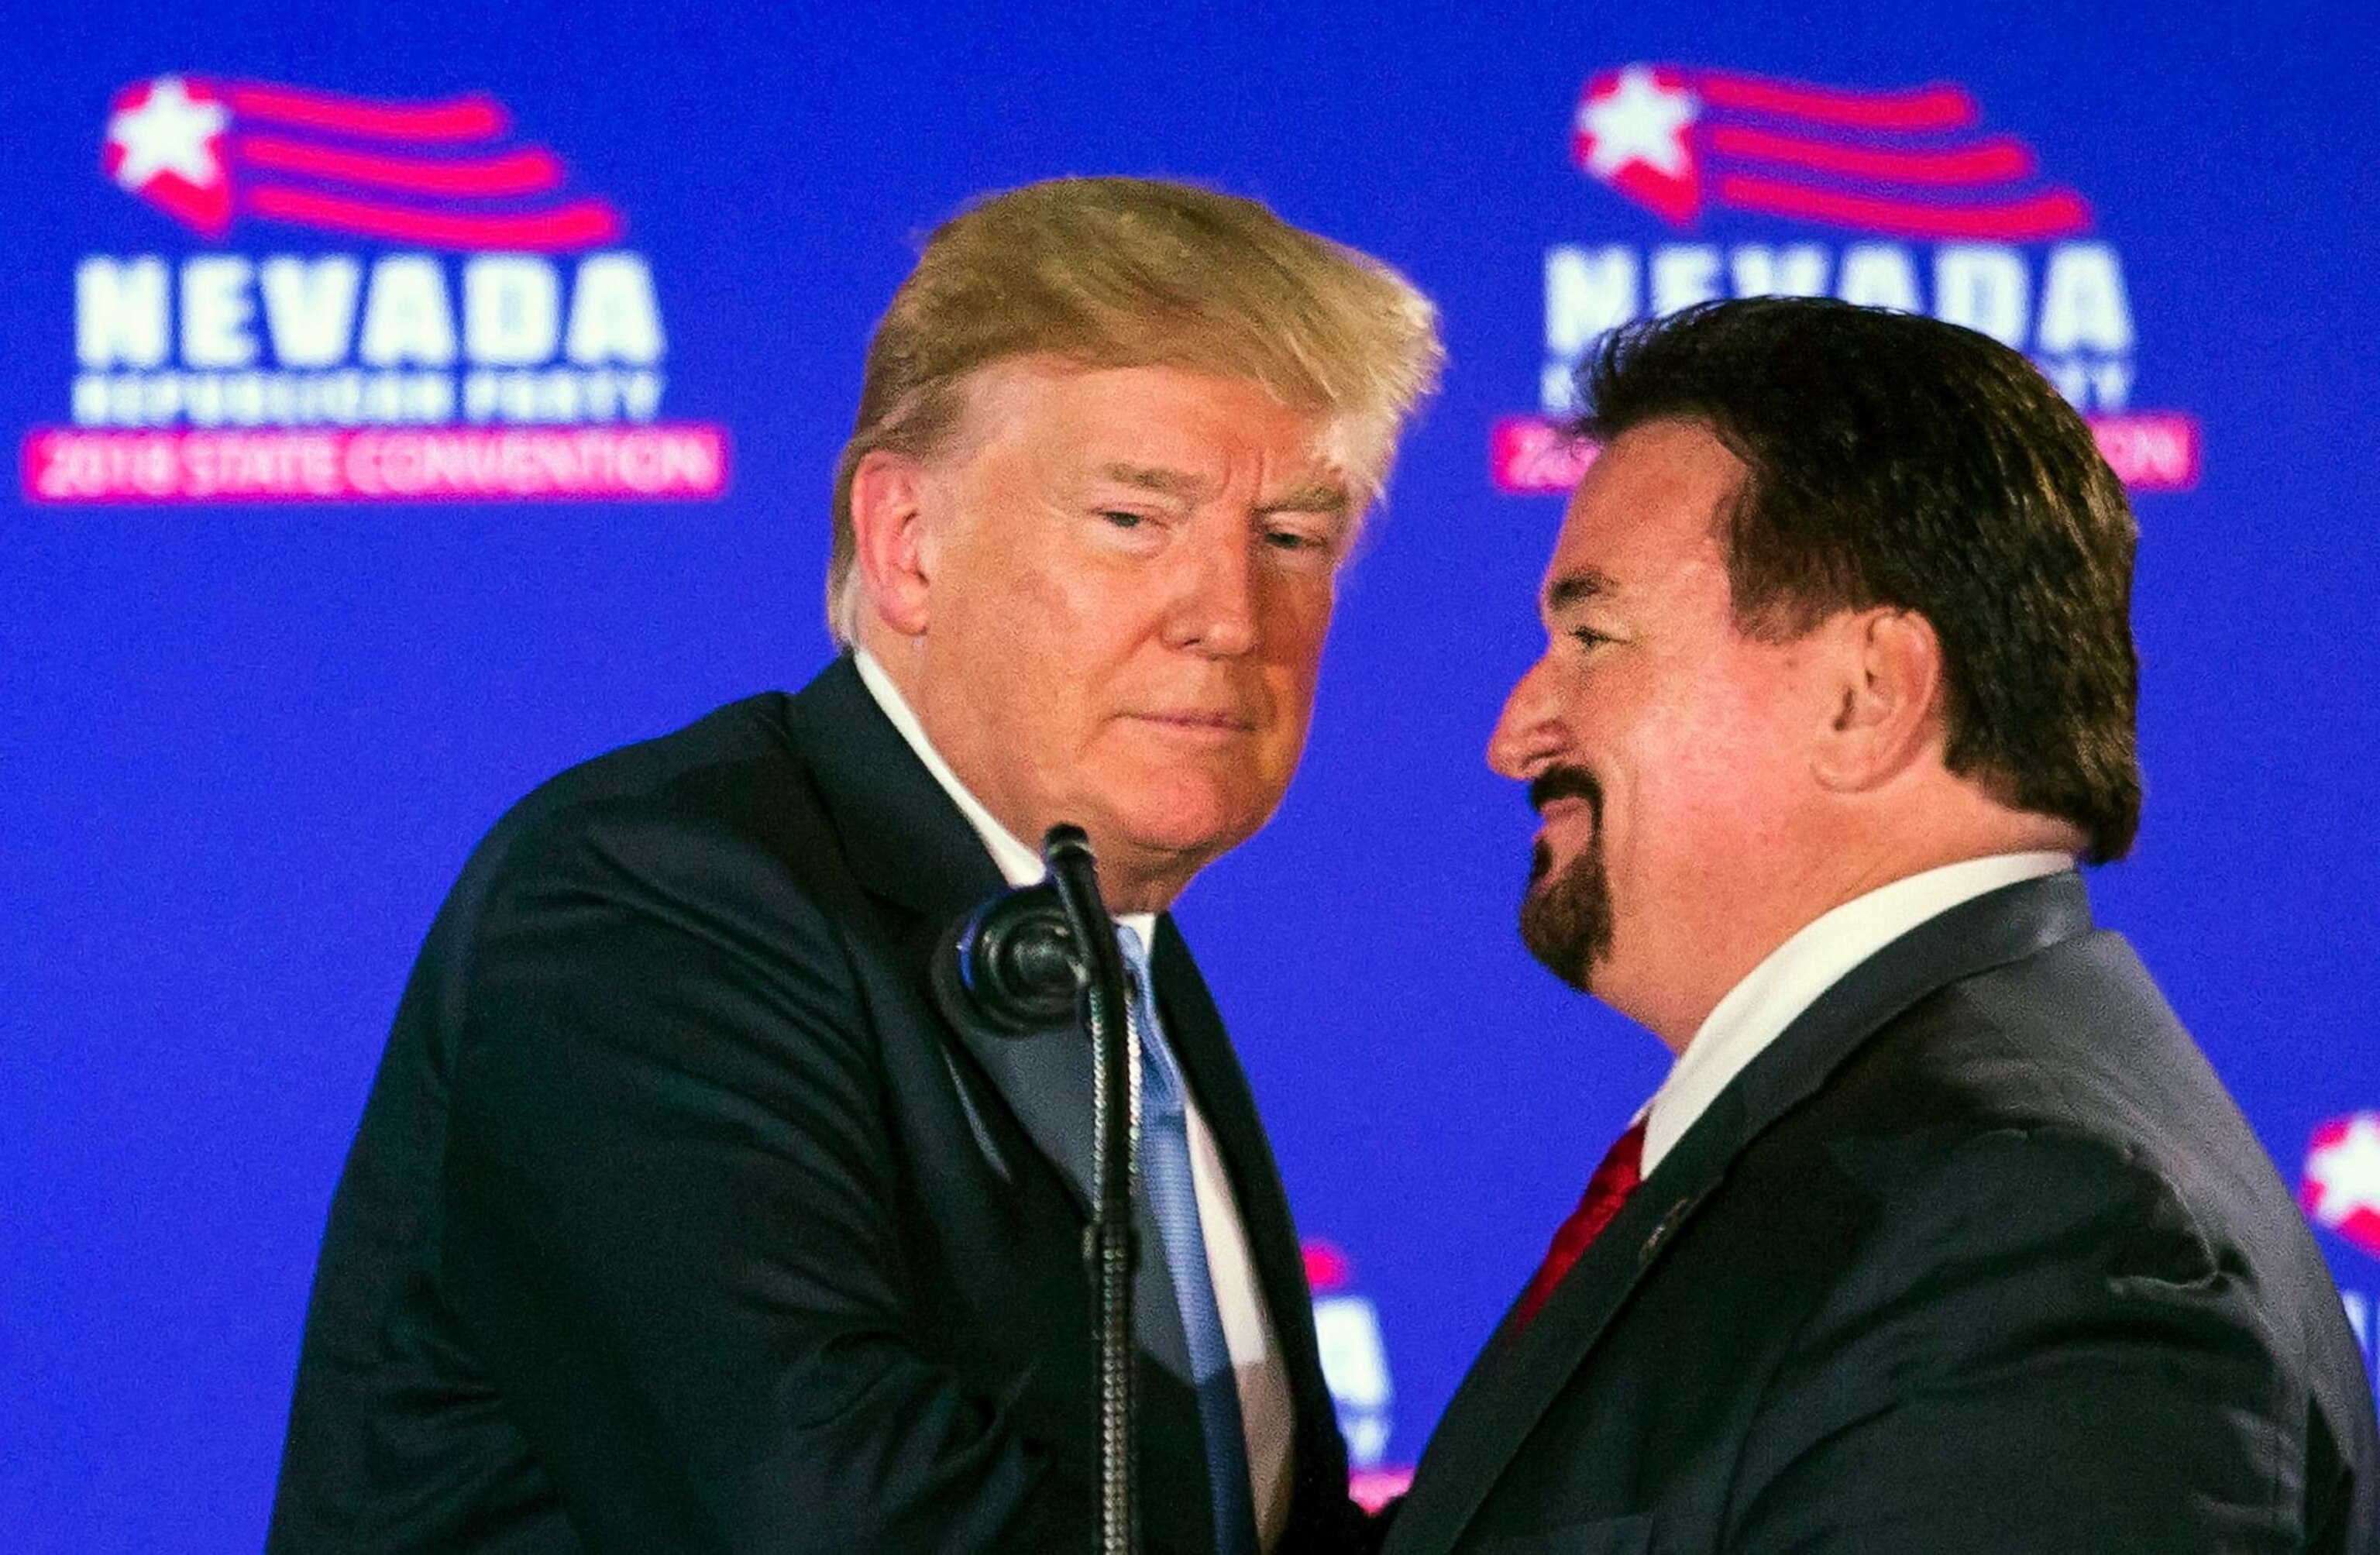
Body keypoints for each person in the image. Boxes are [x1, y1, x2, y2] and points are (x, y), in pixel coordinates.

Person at [268, 176, 1442, 1553]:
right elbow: (836, 1525)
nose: (1232, 618)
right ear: (908, 545)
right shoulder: (649, 902)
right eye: (1135, 518)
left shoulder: (1098, 932)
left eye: (1294, 537)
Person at [1386, 298, 2377, 1554]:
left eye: (1593, 638)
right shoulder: (1910, 1156)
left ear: (1870, 696)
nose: (1517, 728)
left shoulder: (2038, 1234)